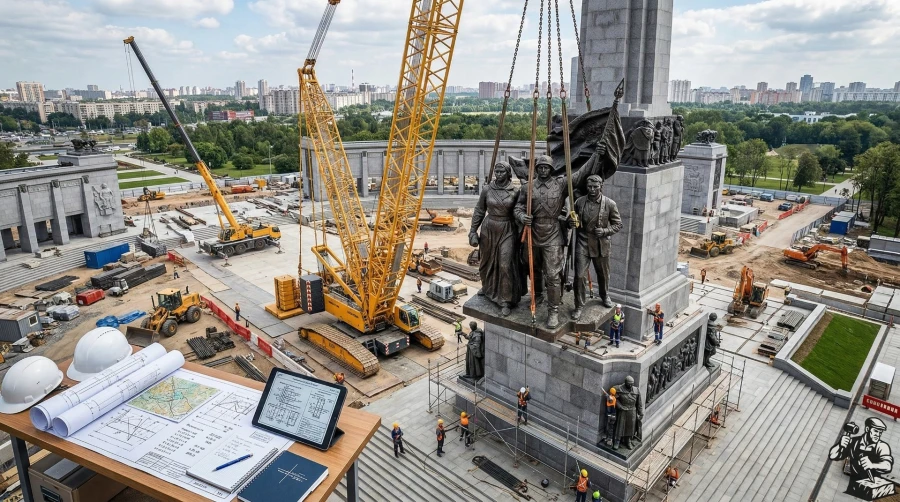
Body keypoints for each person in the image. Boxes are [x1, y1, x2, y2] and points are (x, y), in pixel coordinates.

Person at [515, 148, 609, 329]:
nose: (543, 170)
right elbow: (518, 207)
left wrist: (596, 155)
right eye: (540, 167)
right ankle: (539, 294)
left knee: (552, 274)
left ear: (551, 169)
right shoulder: (527, 187)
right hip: (533, 233)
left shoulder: (561, 184)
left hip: (553, 234)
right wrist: (521, 216)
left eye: (546, 167)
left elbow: (581, 174)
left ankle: (553, 311)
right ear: (536, 168)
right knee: (533, 268)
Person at [469, 161, 525, 317]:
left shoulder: (515, 191)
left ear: (508, 173)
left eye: (502, 172)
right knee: (485, 262)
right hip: (489, 229)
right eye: (496, 172)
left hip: (507, 229)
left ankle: (506, 300)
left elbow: (519, 210)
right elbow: (480, 210)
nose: (498, 175)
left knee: (505, 264)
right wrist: (473, 231)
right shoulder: (487, 189)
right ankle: (487, 288)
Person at [571, 175, 622, 319]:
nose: (592, 190)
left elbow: (618, 224)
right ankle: (579, 305)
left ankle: (604, 295)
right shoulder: (580, 202)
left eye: (595, 187)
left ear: (601, 187)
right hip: (583, 242)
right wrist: (571, 223)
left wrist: (605, 231)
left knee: (603, 274)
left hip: (601, 244)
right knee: (579, 276)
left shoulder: (610, 204)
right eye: (589, 187)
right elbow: (572, 219)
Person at [829, 418, 894, 497]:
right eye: (876, 431)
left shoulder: (882, 446)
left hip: (871, 486)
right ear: (867, 429)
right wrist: (839, 445)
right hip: (853, 485)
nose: (878, 434)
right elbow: (833, 455)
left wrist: (872, 465)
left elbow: (888, 466)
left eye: (880, 432)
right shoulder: (854, 442)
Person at [613, 376, 643, 450]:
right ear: (625, 383)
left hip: (632, 410)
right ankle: (617, 441)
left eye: (632, 384)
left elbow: (639, 403)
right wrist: (620, 406)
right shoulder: (619, 389)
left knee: (630, 427)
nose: (630, 385)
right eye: (629, 384)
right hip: (623, 410)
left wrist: (641, 412)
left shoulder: (636, 390)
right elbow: (614, 398)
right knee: (620, 426)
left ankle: (628, 441)